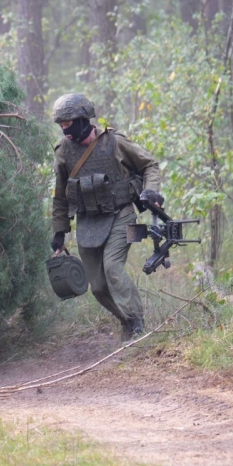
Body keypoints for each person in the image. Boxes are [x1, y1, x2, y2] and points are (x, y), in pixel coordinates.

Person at [50, 93, 162, 341]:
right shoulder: (63, 152)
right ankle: (127, 323)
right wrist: (59, 231)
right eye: (61, 125)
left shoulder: (114, 142)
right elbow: (60, 195)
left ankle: (137, 324)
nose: (65, 130)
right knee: (98, 286)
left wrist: (151, 189)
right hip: (87, 222)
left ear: (83, 120)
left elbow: (149, 165)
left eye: (68, 124)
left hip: (121, 215)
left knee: (112, 269)